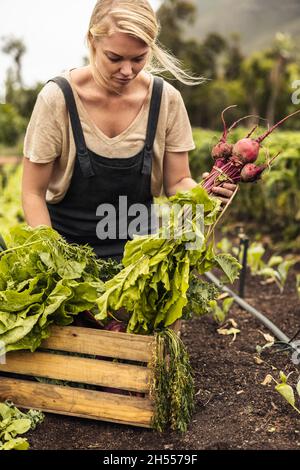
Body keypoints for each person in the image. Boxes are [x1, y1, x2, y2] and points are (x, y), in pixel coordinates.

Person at [22, 0, 237, 263]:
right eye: (114, 58)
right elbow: (32, 192)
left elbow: (177, 181)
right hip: (68, 256)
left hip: (140, 261)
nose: (127, 71)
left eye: (138, 59)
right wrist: (53, 260)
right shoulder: (58, 99)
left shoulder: (166, 100)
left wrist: (206, 195)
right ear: (92, 41)